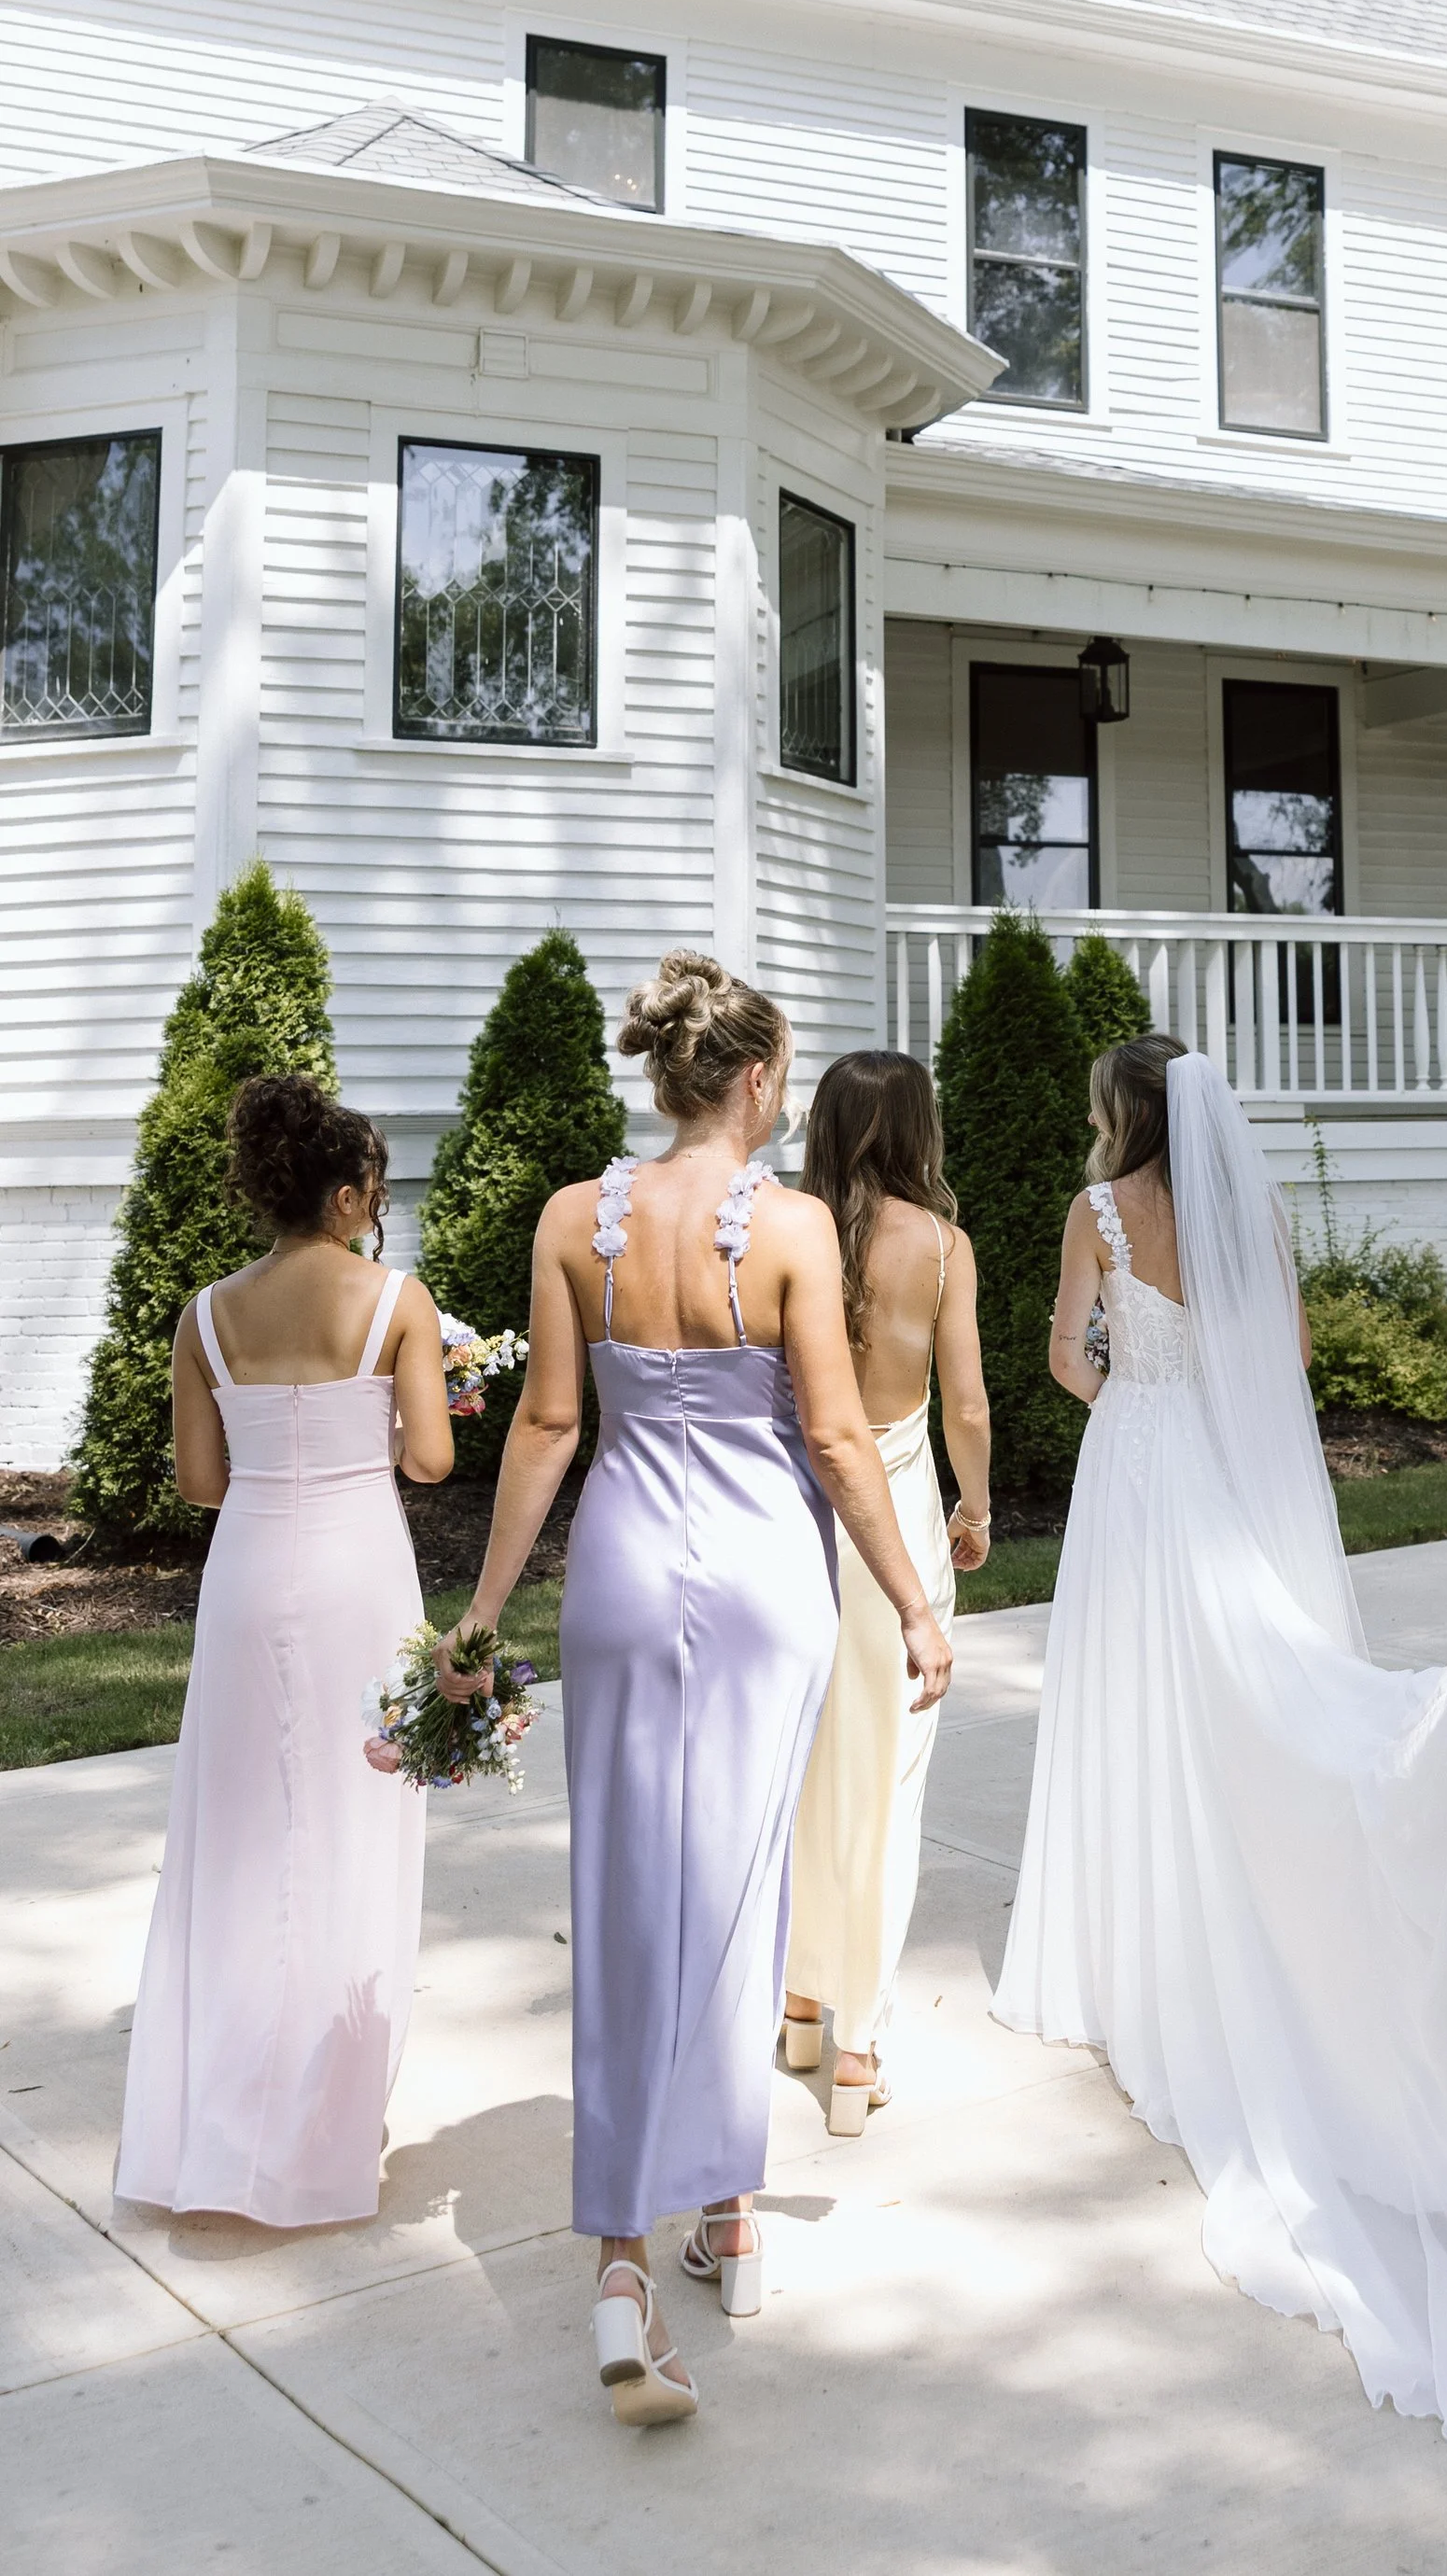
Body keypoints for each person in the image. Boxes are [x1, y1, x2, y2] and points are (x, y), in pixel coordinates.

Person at [996, 1032, 1447, 2452]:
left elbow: (1061, 1357)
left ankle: (1120, 1931)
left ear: (1119, 1113)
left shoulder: (1095, 1214)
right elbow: (1281, 1357)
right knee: (1228, 1680)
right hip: (1222, 1457)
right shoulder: (1255, 1208)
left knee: (1129, 1683)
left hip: (1139, 1460)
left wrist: (1133, 1403)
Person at [438, 952, 950, 2429]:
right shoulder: (788, 1226)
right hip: (758, 1587)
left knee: (624, 1896)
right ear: (755, 1078)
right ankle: (725, 2211)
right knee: (738, 1889)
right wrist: (914, 1604)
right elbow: (843, 1445)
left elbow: (544, 1424)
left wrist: (477, 1615)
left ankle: (623, 2259)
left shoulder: (570, 1222)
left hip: (614, 1571)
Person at [117, 1074, 455, 2226]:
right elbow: (430, 1465)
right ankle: (332, 2115)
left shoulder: (205, 1313)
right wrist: (433, 1395)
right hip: (361, 1563)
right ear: (351, 1193)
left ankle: (226, 2112)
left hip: (252, 1568)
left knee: (247, 1826)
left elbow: (202, 1483)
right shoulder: (397, 1299)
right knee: (354, 1822)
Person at [782, 1050, 991, 2133]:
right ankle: (857, 2051)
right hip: (898, 1523)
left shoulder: (783, 1228)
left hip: (797, 1517)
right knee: (888, 1782)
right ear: (920, 1129)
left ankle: (803, 2005)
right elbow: (965, 1405)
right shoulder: (944, 1248)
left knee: (811, 1762)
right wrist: (976, 1510)